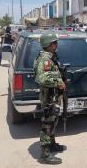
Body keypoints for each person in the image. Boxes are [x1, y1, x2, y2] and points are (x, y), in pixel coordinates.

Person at [33, 33, 67, 164]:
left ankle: (52, 144)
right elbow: (41, 78)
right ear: (49, 45)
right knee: (47, 123)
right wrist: (57, 82)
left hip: (53, 96)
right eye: (54, 43)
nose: (56, 45)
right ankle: (45, 154)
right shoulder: (45, 60)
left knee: (53, 121)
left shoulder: (51, 57)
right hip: (48, 97)